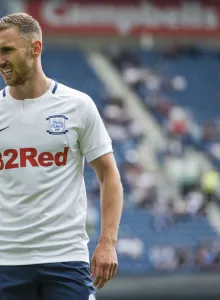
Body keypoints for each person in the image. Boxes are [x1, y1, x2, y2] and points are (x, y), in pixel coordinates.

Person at [0, 12, 123, 300]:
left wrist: (108, 241)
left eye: (7, 50)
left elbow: (109, 175)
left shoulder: (78, 106)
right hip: (6, 261)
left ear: (35, 48)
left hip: (65, 258)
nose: (1, 59)